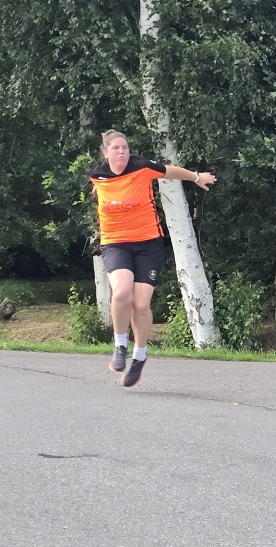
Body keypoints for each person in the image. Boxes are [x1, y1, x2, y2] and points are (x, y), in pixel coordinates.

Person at [88, 129, 216, 387]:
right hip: (115, 243)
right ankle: (120, 345)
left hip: (148, 244)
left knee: (140, 303)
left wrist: (196, 177)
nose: (122, 152)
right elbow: (99, 191)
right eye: (116, 148)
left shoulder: (142, 168)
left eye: (125, 147)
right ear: (105, 153)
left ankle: (140, 355)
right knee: (121, 292)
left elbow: (170, 171)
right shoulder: (97, 176)